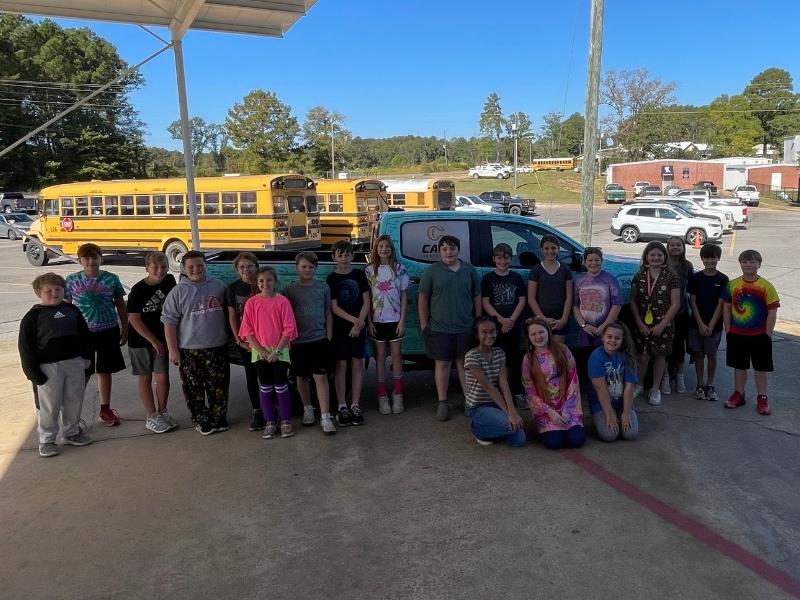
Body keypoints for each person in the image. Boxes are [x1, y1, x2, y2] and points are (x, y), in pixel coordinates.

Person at [19, 273, 94, 457]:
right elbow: (25, 347)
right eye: (49, 291)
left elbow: (85, 335)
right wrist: (33, 373)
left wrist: (88, 358)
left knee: (74, 399)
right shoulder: (32, 317)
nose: (54, 293)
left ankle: (71, 432)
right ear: (39, 293)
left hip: (74, 362)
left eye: (58, 289)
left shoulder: (72, 310)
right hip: (47, 368)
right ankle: (47, 440)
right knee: (49, 405)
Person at [161, 251, 231, 435]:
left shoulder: (219, 286)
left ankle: (219, 418)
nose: (196, 269)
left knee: (219, 387)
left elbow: (229, 314)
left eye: (200, 265)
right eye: (191, 266)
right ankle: (201, 418)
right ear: (184, 269)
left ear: (206, 266)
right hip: (190, 350)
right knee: (194, 389)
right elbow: (169, 322)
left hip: (217, 347)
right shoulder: (177, 292)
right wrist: (173, 350)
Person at [418, 235, 482, 421]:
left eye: (452, 248)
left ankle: (469, 401)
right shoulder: (432, 271)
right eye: (444, 248)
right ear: (439, 251)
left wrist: (478, 321)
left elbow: (477, 296)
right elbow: (423, 298)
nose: (449, 252)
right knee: (443, 364)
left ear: (458, 250)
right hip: (440, 328)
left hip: (465, 326)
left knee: (464, 364)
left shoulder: (469, 270)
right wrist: (424, 323)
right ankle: (442, 402)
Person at [64, 243, 127, 426]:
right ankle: (73, 415)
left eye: (94, 257)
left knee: (105, 369)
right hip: (83, 334)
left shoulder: (111, 279)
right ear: (80, 260)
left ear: (101, 258)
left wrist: (125, 328)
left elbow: (120, 304)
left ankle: (105, 409)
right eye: (86, 258)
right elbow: (67, 307)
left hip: (108, 330)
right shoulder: (71, 280)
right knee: (82, 372)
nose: (91, 261)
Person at [239, 266, 298, 439]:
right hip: (260, 351)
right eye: (261, 281)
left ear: (275, 281)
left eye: (269, 280)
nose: (265, 283)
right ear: (257, 283)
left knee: (281, 384)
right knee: (265, 386)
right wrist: (261, 350)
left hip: (280, 350)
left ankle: (285, 420)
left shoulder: (282, 301)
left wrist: (277, 351)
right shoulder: (251, 303)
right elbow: (247, 330)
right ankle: (270, 421)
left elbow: (289, 329)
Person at [283, 251, 336, 435]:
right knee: (301, 377)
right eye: (304, 266)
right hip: (298, 342)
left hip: (318, 339)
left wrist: (328, 336)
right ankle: (307, 409)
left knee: (320, 377)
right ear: (297, 268)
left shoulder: (323, 287)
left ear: (316, 268)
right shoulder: (289, 291)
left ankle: (325, 416)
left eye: (311, 267)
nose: (307, 270)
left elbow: (328, 312)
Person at [722, 249, 779, 415]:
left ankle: (762, 397)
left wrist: (767, 335)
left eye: (752, 262)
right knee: (739, 366)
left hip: (760, 335)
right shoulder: (732, 285)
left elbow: (772, 312)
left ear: (759, 264)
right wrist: (728, 329)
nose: (748, 264)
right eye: (745, 261)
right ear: (740, 264)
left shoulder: (766, 286)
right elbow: (726, 307)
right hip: (737, 334)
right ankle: (739, 394)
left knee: (760, 368)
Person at [126, 251, 178, 434]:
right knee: (145, 376)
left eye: (163, 267)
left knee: (162, 375)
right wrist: (154, 341)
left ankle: (162, 411)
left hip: (162, 338)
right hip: (141, 340)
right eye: (155, 267)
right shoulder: (138, 290)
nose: (160, 271)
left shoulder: (170, 281)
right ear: (147, 268)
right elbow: (134, 319)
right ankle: (152, 415)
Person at [629, 241, 680, 406]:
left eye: (659, 255)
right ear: (646, 257)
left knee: (660, 356)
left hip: (663, 324)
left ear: (664, 257)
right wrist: (639, 323)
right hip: (643, 324)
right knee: (643, 356)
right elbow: (633, 301)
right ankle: (639, 385)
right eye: (652, 255)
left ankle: (655, 389)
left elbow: (675, 304)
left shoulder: (671, 277)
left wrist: (662, 325)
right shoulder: (639, 277)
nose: (656, 258)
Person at [522, 317, 585, 450]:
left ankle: (568, 426)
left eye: (541, 332)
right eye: (533, 334)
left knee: (577, 441)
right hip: (546, 409)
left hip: (568, 405)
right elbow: (529, 391)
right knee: (554, 442)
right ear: (529, 337)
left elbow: (573, 381)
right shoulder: (528, 359)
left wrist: (567, 410)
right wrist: (549, 411)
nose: (538, 337)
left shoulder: (563, 350)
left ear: (548, 332)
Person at [327, 240, 371, 427]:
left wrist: (359, 323)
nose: (344, 258)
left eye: (347, 254)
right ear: (334, 257)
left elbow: (367, 301)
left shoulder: (360, 275)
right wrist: (354, 321)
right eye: (340, 255)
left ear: (352, 256)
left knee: (357, 364)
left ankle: (355, 404)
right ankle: (342, 405)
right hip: (341, 328)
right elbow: (334, 307)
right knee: (341, 365)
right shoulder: (332, 278)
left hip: (359, 327)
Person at [464, 317, 525, 447]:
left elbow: (503, 382)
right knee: (512, 424)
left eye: (492, 331)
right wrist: (509, 414)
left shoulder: (499, 353)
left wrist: (512, 411)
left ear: (497, 332)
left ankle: (493, 427)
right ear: (477, 334)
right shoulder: (471, 356)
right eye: (484, 332)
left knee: (519, 439)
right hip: (479, 406)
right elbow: (489, 387)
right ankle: (478, 430)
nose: (489, 335)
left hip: (496, 403)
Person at [365, 235, 409, 415]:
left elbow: (404, 295)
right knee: (381, 356)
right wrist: (369, 321)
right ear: (376, 249)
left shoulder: (399, 269)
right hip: (377, 321)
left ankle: (398, 393)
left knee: (397, 355)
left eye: (387, 246)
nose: (384, 249)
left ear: (392, 249)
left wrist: (402, 320)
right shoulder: (370, 270)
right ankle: (382, 394)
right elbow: (367, 298)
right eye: (381, 246)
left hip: (395, 320)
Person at [481, 243, 527, 409]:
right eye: (499, 258)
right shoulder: (488, 279)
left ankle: (517, 392)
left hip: (513, 326)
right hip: (495, 327)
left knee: (514, 359)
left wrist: (511, 320)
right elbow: (485, 303)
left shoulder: (516, 278)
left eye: (506, 258)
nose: (502, 261)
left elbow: (522, 300)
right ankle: (498, 393)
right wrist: (500, 320)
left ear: (511, 258)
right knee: (496, 359)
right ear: (494, 259)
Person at [571, 246, 623, 386]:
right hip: (585, 330)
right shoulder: (579, 281)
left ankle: (606, 388)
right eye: (590, 260)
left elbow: (617, 304)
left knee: (604, 359)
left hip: (605, 330)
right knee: (586, 359)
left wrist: (605, 326)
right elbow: (575, 306)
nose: (593, 263)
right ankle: (589, 388)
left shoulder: (609, 280)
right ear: (584, 261)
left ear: (602, 261)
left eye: (597, 260)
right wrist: (584, 325)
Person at [226, 252, 265, 431]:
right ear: (237, 269)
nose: (246, 270)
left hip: (265, 340)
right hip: (246, 342)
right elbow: (232, 316)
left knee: (267, 375)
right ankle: (257, 410)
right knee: (251, 375)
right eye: (242, 267)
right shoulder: (233, 288)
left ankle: (271, 408)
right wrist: (238, 340)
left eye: (250, 266)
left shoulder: (263, 284)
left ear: (256, 267)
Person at [688, 244, 728, 401]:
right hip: (696, 324)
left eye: (713, 258)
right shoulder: (696, 278)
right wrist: (700, 323)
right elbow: (692, 301)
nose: (710, 261)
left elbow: (721, 304)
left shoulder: (723, 279)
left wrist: (711, 325)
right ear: (702, 259)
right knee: (698, 354)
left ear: (718, 258)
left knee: (711, 354)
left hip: (714, 326)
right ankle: (699, 384)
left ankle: (710, 385)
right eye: (706, 258)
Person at [587, 322, 639, 442]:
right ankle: (603, 417)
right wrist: (610, 415)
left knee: (630, 434)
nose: (612, 341)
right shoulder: (596, 357)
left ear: (622, 340)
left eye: (617, 338)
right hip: (601, 402)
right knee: (609, 435)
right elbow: (600, 389)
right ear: (603, 337)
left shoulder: (628, 356)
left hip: (622, 401)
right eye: (609, 337)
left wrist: (626, 413)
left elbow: (629, 387)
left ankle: (621, 413)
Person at [527, 235, 573, 344]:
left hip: (560, 320)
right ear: (541, 249)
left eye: (553, 248)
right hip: (541, 319)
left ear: (558, 249)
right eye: (546, 248)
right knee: (542, 349)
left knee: (557, 350)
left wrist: (564, 319)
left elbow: (569, 296)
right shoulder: (536, 270)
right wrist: (542, 318)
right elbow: (531, 298)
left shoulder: (565, 270)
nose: (550, 251)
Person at [664, 236, 694, 394]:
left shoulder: (687, 265)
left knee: (680, 344)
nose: (675, 247)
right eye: (672, 245)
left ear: (683, 247)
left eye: (678, 245)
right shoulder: (663, 265)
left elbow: (692, 289)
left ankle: (680, 374)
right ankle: (666, 375)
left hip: (682, 312)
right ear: (668, 247)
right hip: (665, 312)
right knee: (666, 345)